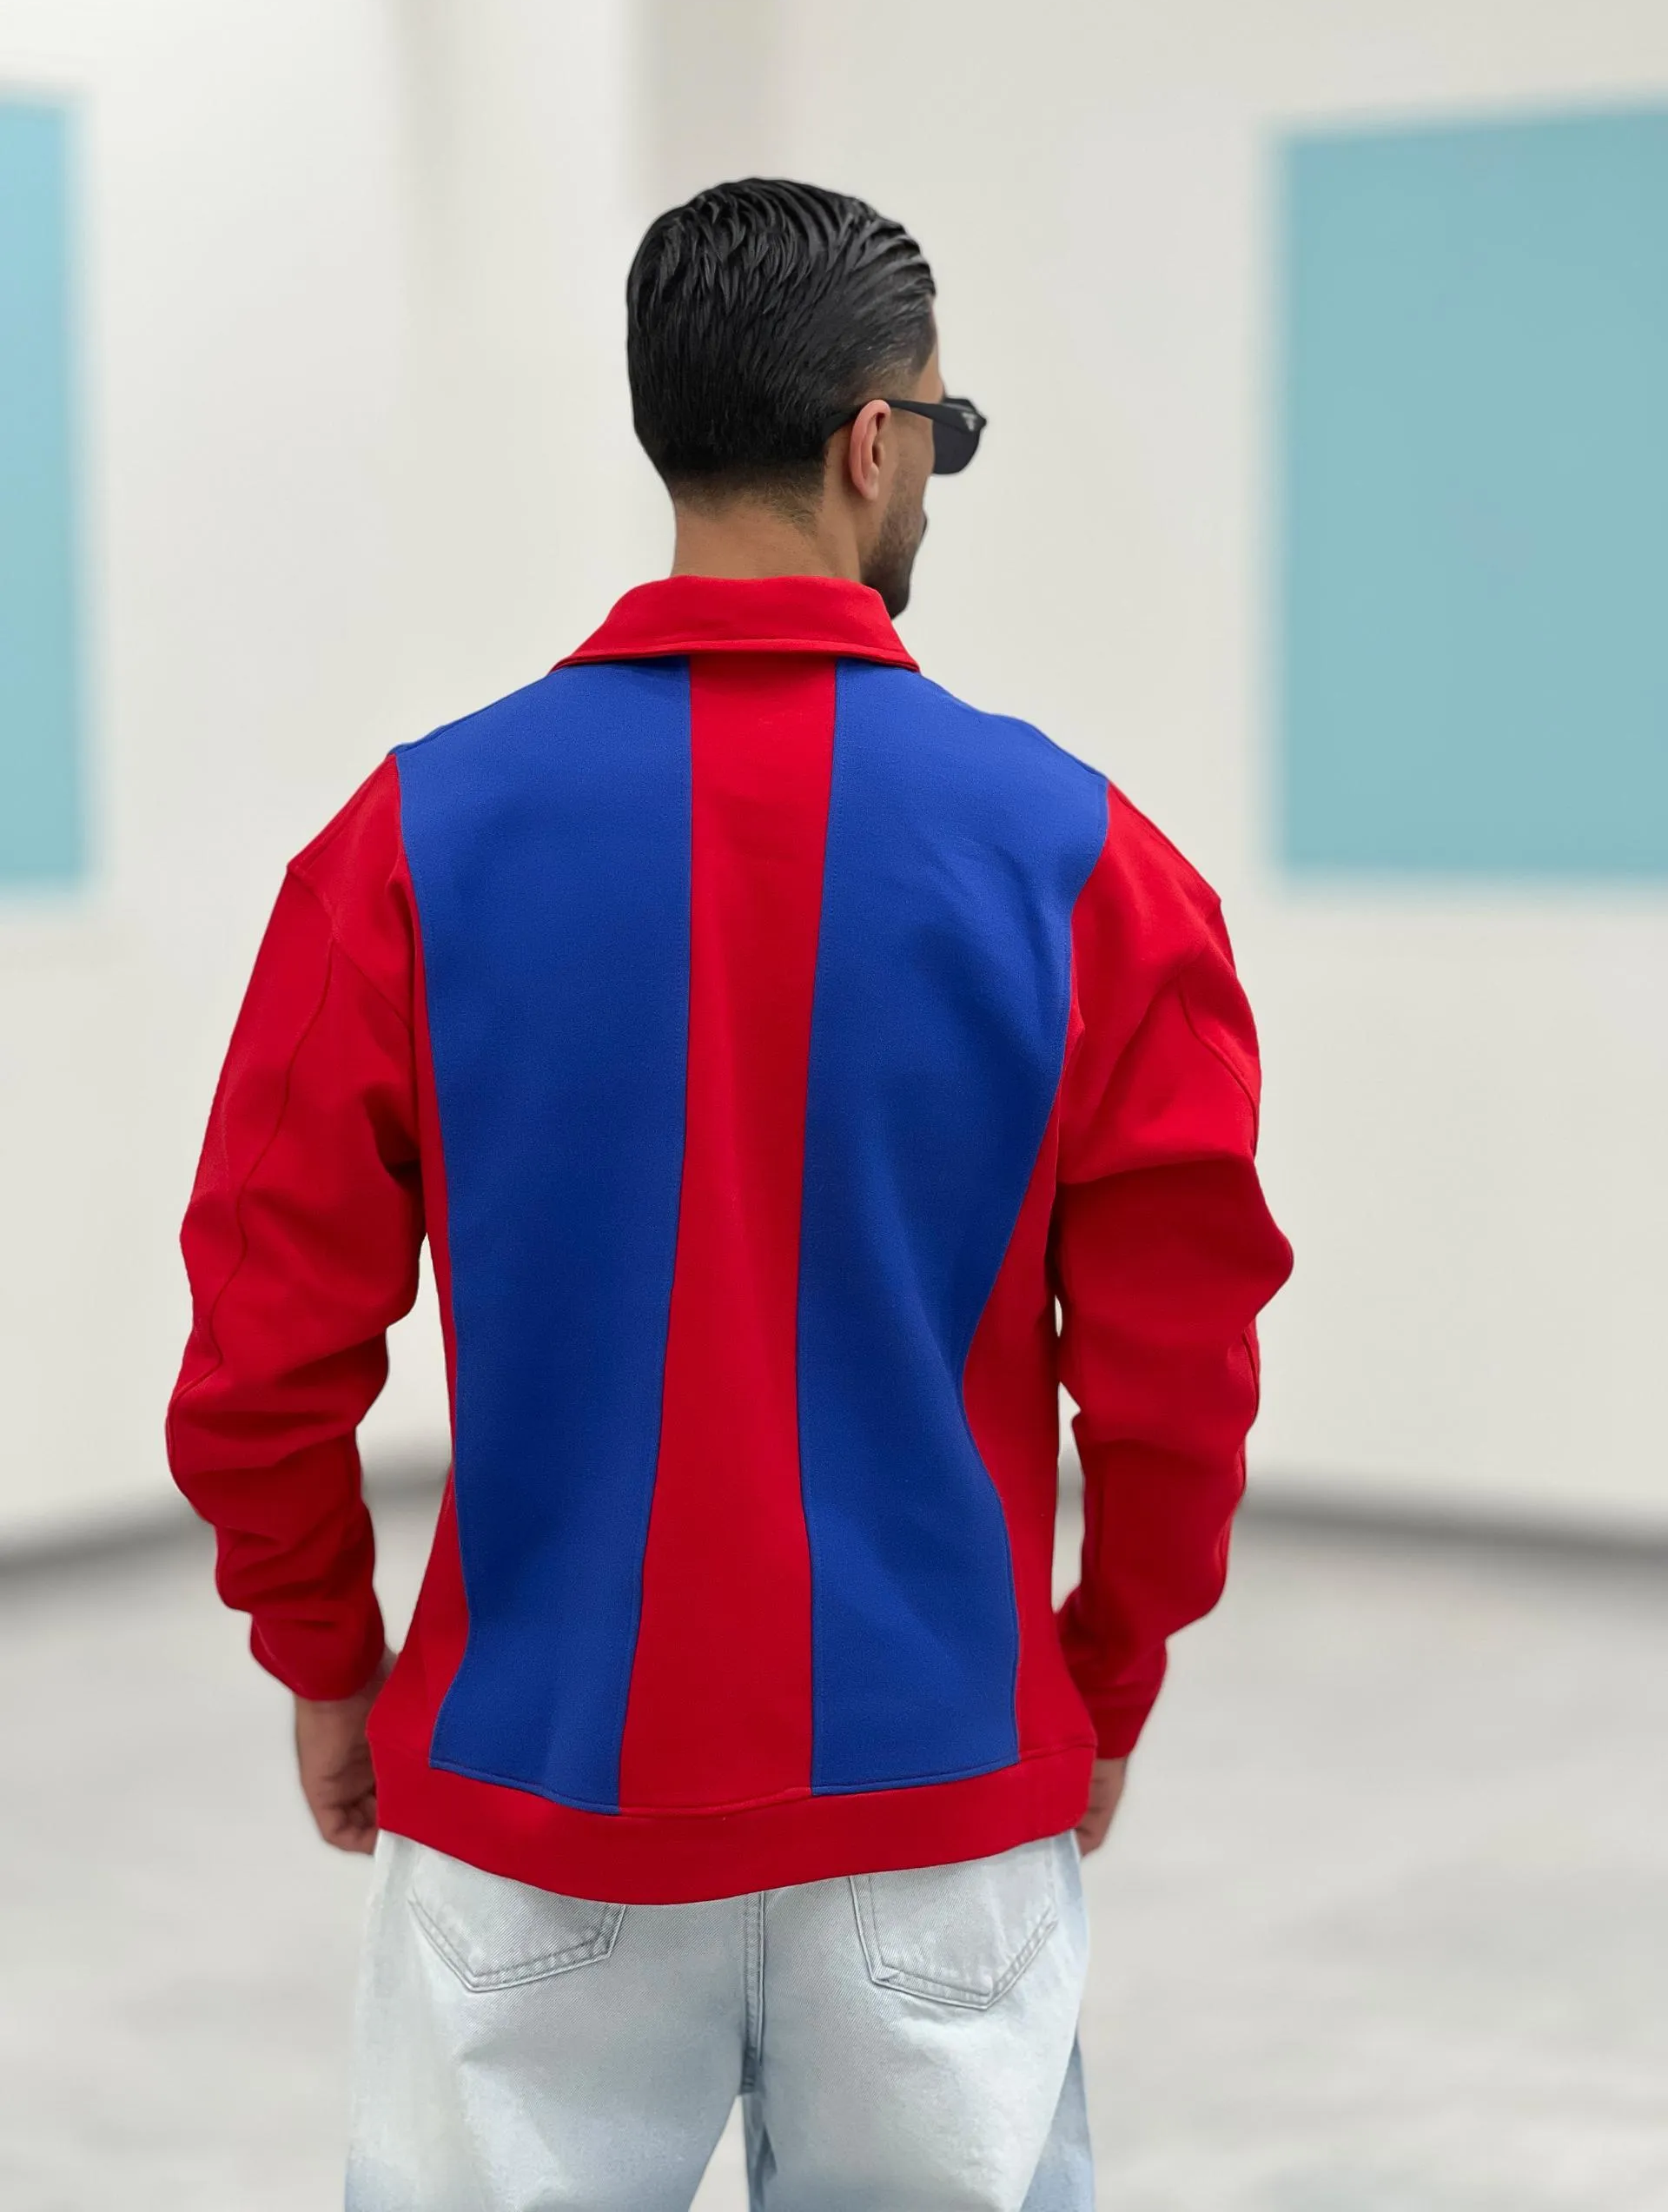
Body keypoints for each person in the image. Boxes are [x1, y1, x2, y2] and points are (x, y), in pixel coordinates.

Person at [167, 177, 1292, 2212]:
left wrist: (326, 1649)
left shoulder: (406, 842)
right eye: (943, 432)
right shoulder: (1090, 865)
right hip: (939, 1792)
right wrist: (1107, 1669)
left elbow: (262, 1338)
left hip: (532, 1788)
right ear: (873, 439)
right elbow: (1178, 1371)